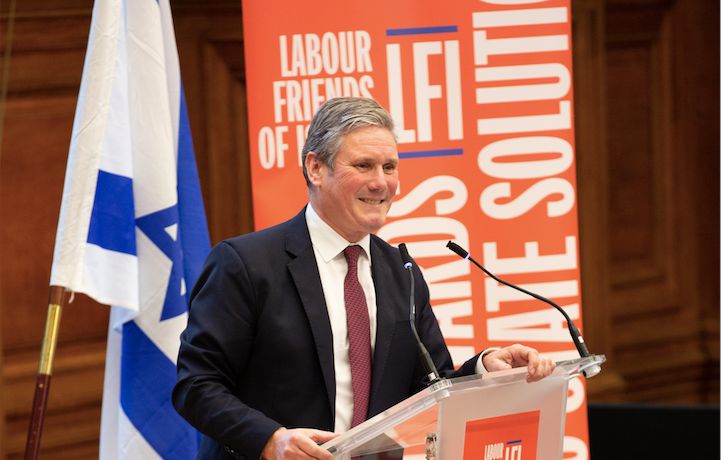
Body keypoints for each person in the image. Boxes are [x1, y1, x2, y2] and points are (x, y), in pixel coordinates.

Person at [173, 97, 556, 460]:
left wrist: (485, 368)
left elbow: (430, 386)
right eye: (364, 166)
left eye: (389, 167)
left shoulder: (401, 271)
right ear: (315, 168)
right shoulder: (246, 263)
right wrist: (270, 440)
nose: (380, 183)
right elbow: (196, 384)